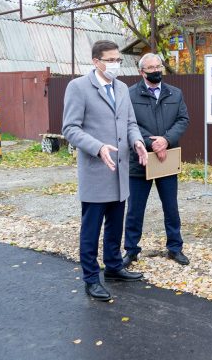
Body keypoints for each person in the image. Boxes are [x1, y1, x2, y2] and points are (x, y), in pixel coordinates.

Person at [62, 40, 148, 301]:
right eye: (110, 60)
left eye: (118, 60)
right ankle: (90, 278)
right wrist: (98, 147)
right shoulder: (78, 87)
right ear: (96, 61)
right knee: (92, 229)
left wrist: (138, 142)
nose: (115, 65)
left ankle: (113, 267)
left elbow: (130, 122)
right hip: (96, 171)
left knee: (115, 226)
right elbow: (70, 128)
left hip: (120, 171)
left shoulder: (122, 88)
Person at [123, 53, 190, 267]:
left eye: (158, 66)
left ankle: (175, 248)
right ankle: (131, 250)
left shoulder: (175, 93)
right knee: (135, 209)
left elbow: (183, 120)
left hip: (167, 159)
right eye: (150, 68)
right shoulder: (130, 94)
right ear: (142, 72)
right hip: (140, 160)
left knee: (171, 207)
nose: (155, 70)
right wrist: (152, 144)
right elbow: (128, 123)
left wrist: (166, 140)